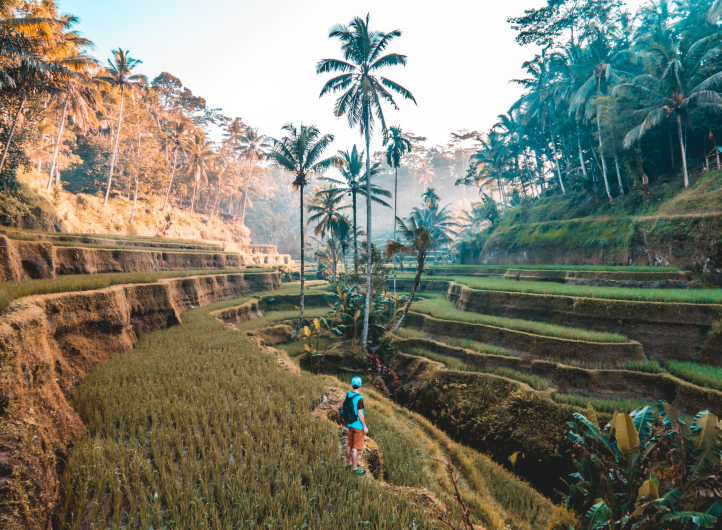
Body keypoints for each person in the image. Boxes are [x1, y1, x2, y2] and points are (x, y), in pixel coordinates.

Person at [345, 376, 368, 475]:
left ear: (351, 384)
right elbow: (360, 414)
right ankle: (355, 469)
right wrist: (365, 426)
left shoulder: (348, 394)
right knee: (356, 448)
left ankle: (349, 463)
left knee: (349, 444)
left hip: (350, 423)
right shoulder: (360, 398)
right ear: (360, 385)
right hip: (358, 426)